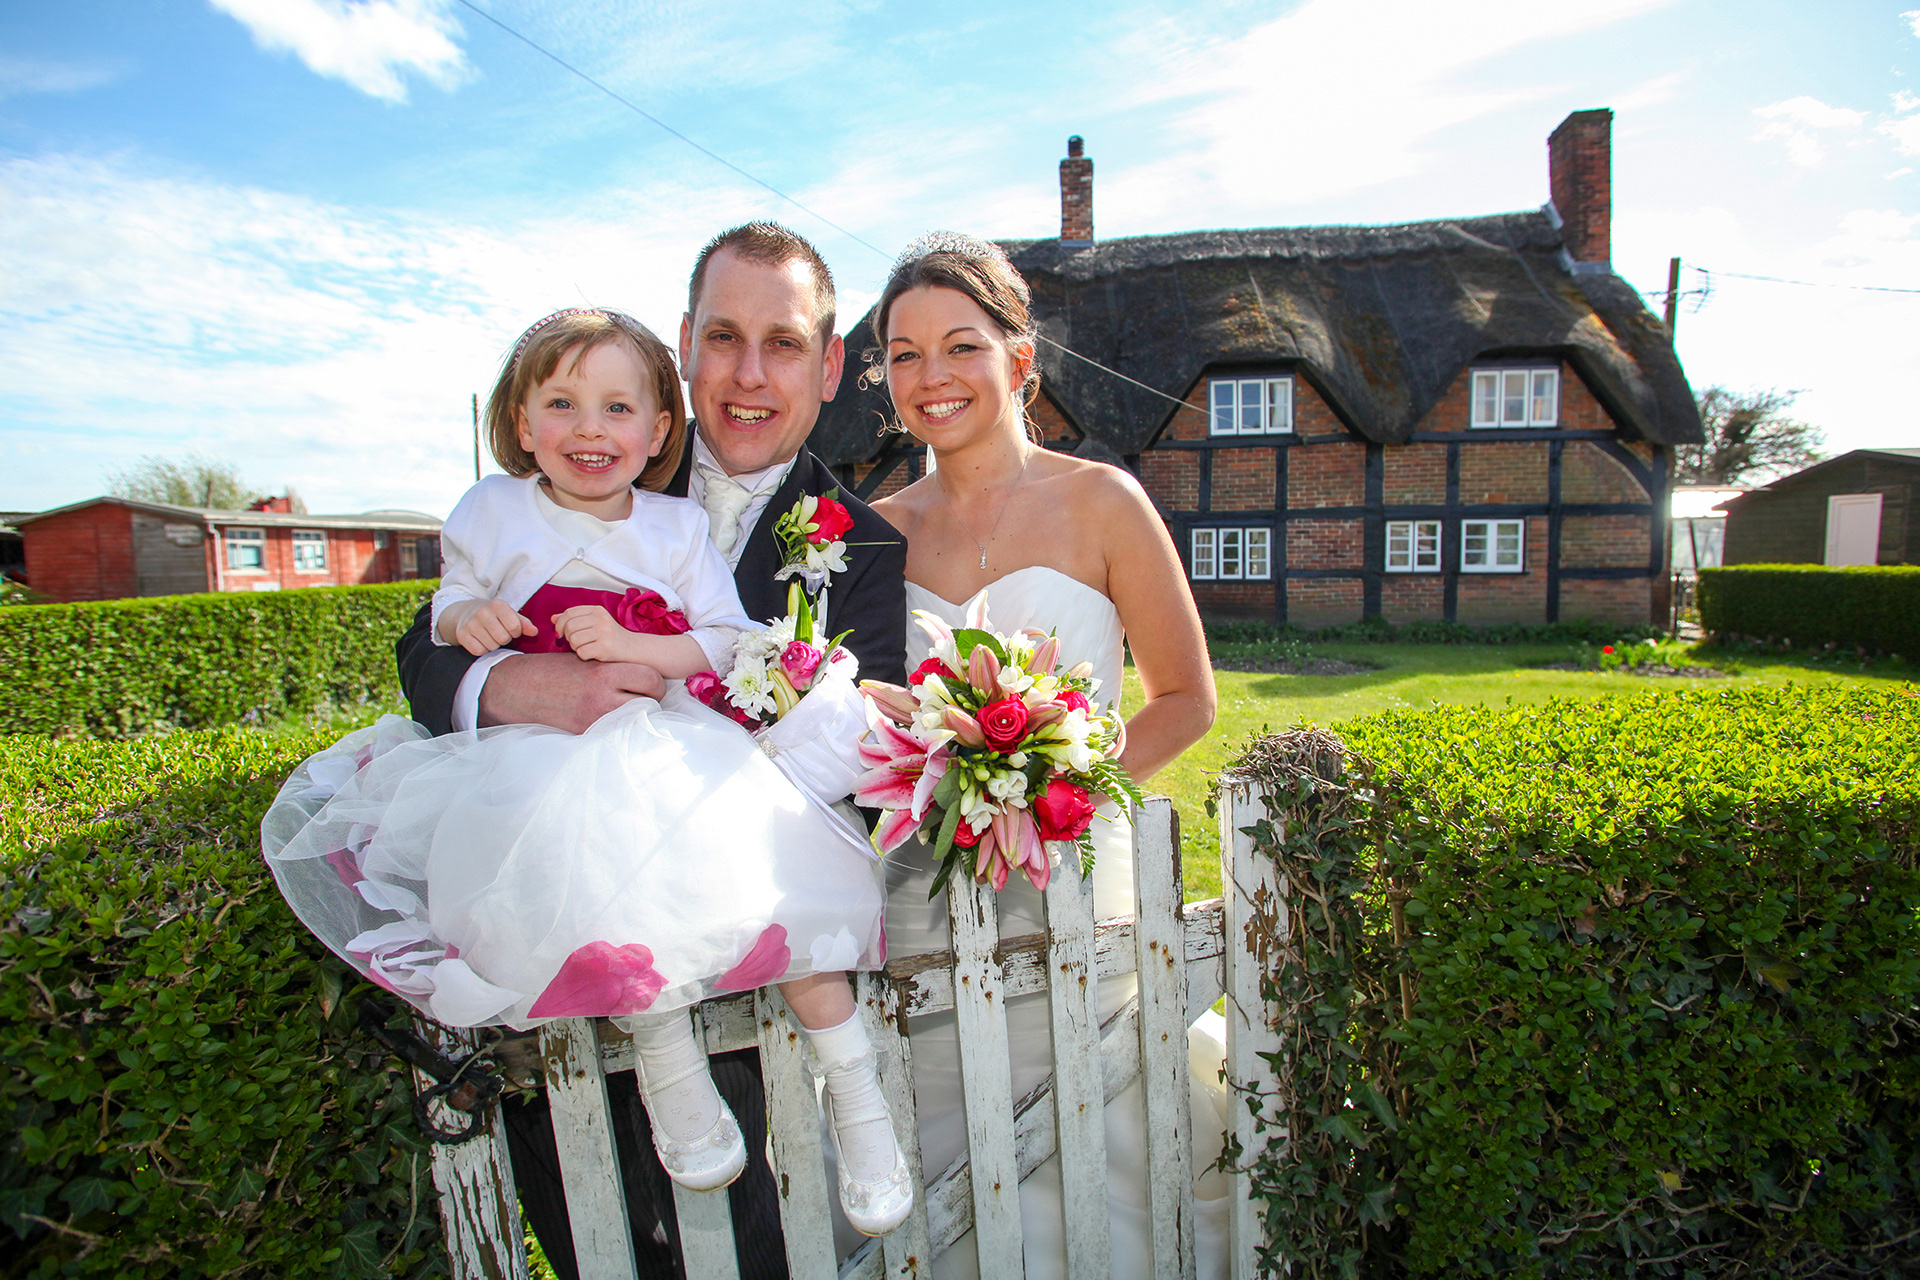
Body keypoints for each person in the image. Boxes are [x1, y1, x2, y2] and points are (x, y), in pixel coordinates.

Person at [264, 307, 912, 1232]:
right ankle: (676, 1092)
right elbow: (438, 619)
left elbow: (752, 658)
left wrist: (654, 656)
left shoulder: (845, 537)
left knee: (793, 920)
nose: (588, 427)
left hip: (697, 773)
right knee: (609, 923)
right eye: (726, 337)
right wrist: (482, 649)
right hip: (544, 782)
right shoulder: (495, 508)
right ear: (524, 422)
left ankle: (858, 1100)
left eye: (784, 342)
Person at [864, 232, 1227, 1278]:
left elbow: (1187, 698)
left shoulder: (1104, 500)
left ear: (1020, 361)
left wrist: (1064, 788)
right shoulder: (873, 534)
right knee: (943, 1137)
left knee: (1101, 1115)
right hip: (920, 893)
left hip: (1077, 870)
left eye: (961, 346)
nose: (932, 376)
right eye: (904, 353)